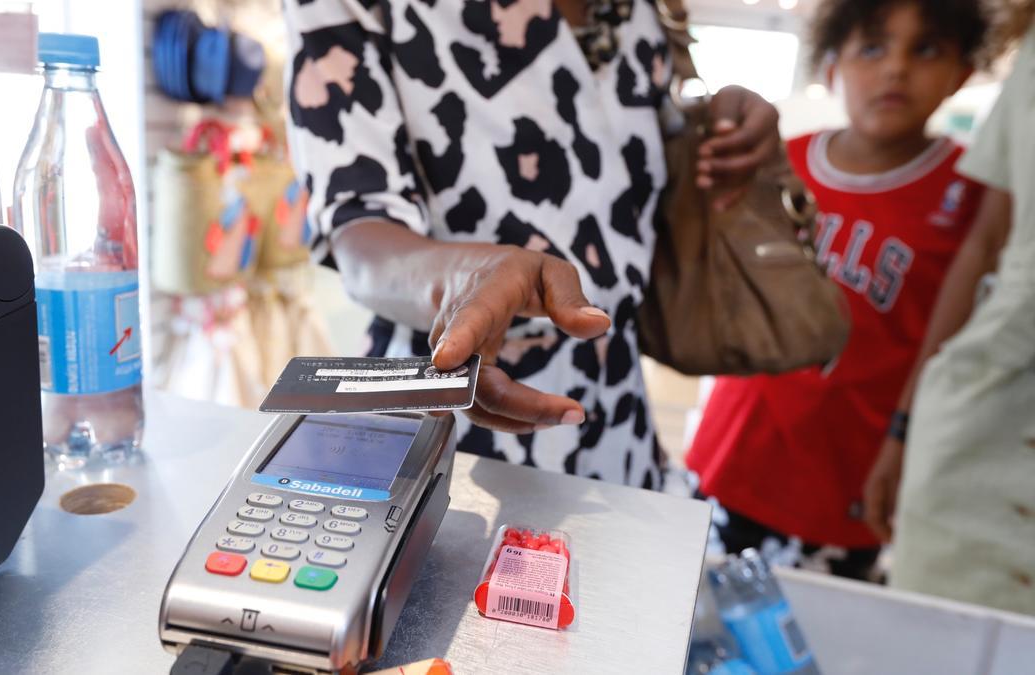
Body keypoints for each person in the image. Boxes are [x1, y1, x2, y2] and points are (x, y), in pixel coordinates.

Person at [282, 0, 781, 486]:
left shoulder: (639, 11)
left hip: (617, 421)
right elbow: (358, 225)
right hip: (450, 417)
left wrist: (719, 124)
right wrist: (468, 281)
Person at [685, 0, 988, 579]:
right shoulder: (781, 162)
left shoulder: (970, 195)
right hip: (735, 456)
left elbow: (949, 349)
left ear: (963, 72)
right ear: (830, 67)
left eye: (925, 50)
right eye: (872, 47)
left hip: (853, 475)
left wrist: (907, 447)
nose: (896, 69)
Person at [863, 1, 1035, 614]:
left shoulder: (945, 184)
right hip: (979, 416)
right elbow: (988, 245)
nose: (894, 71)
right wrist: (905, 431)